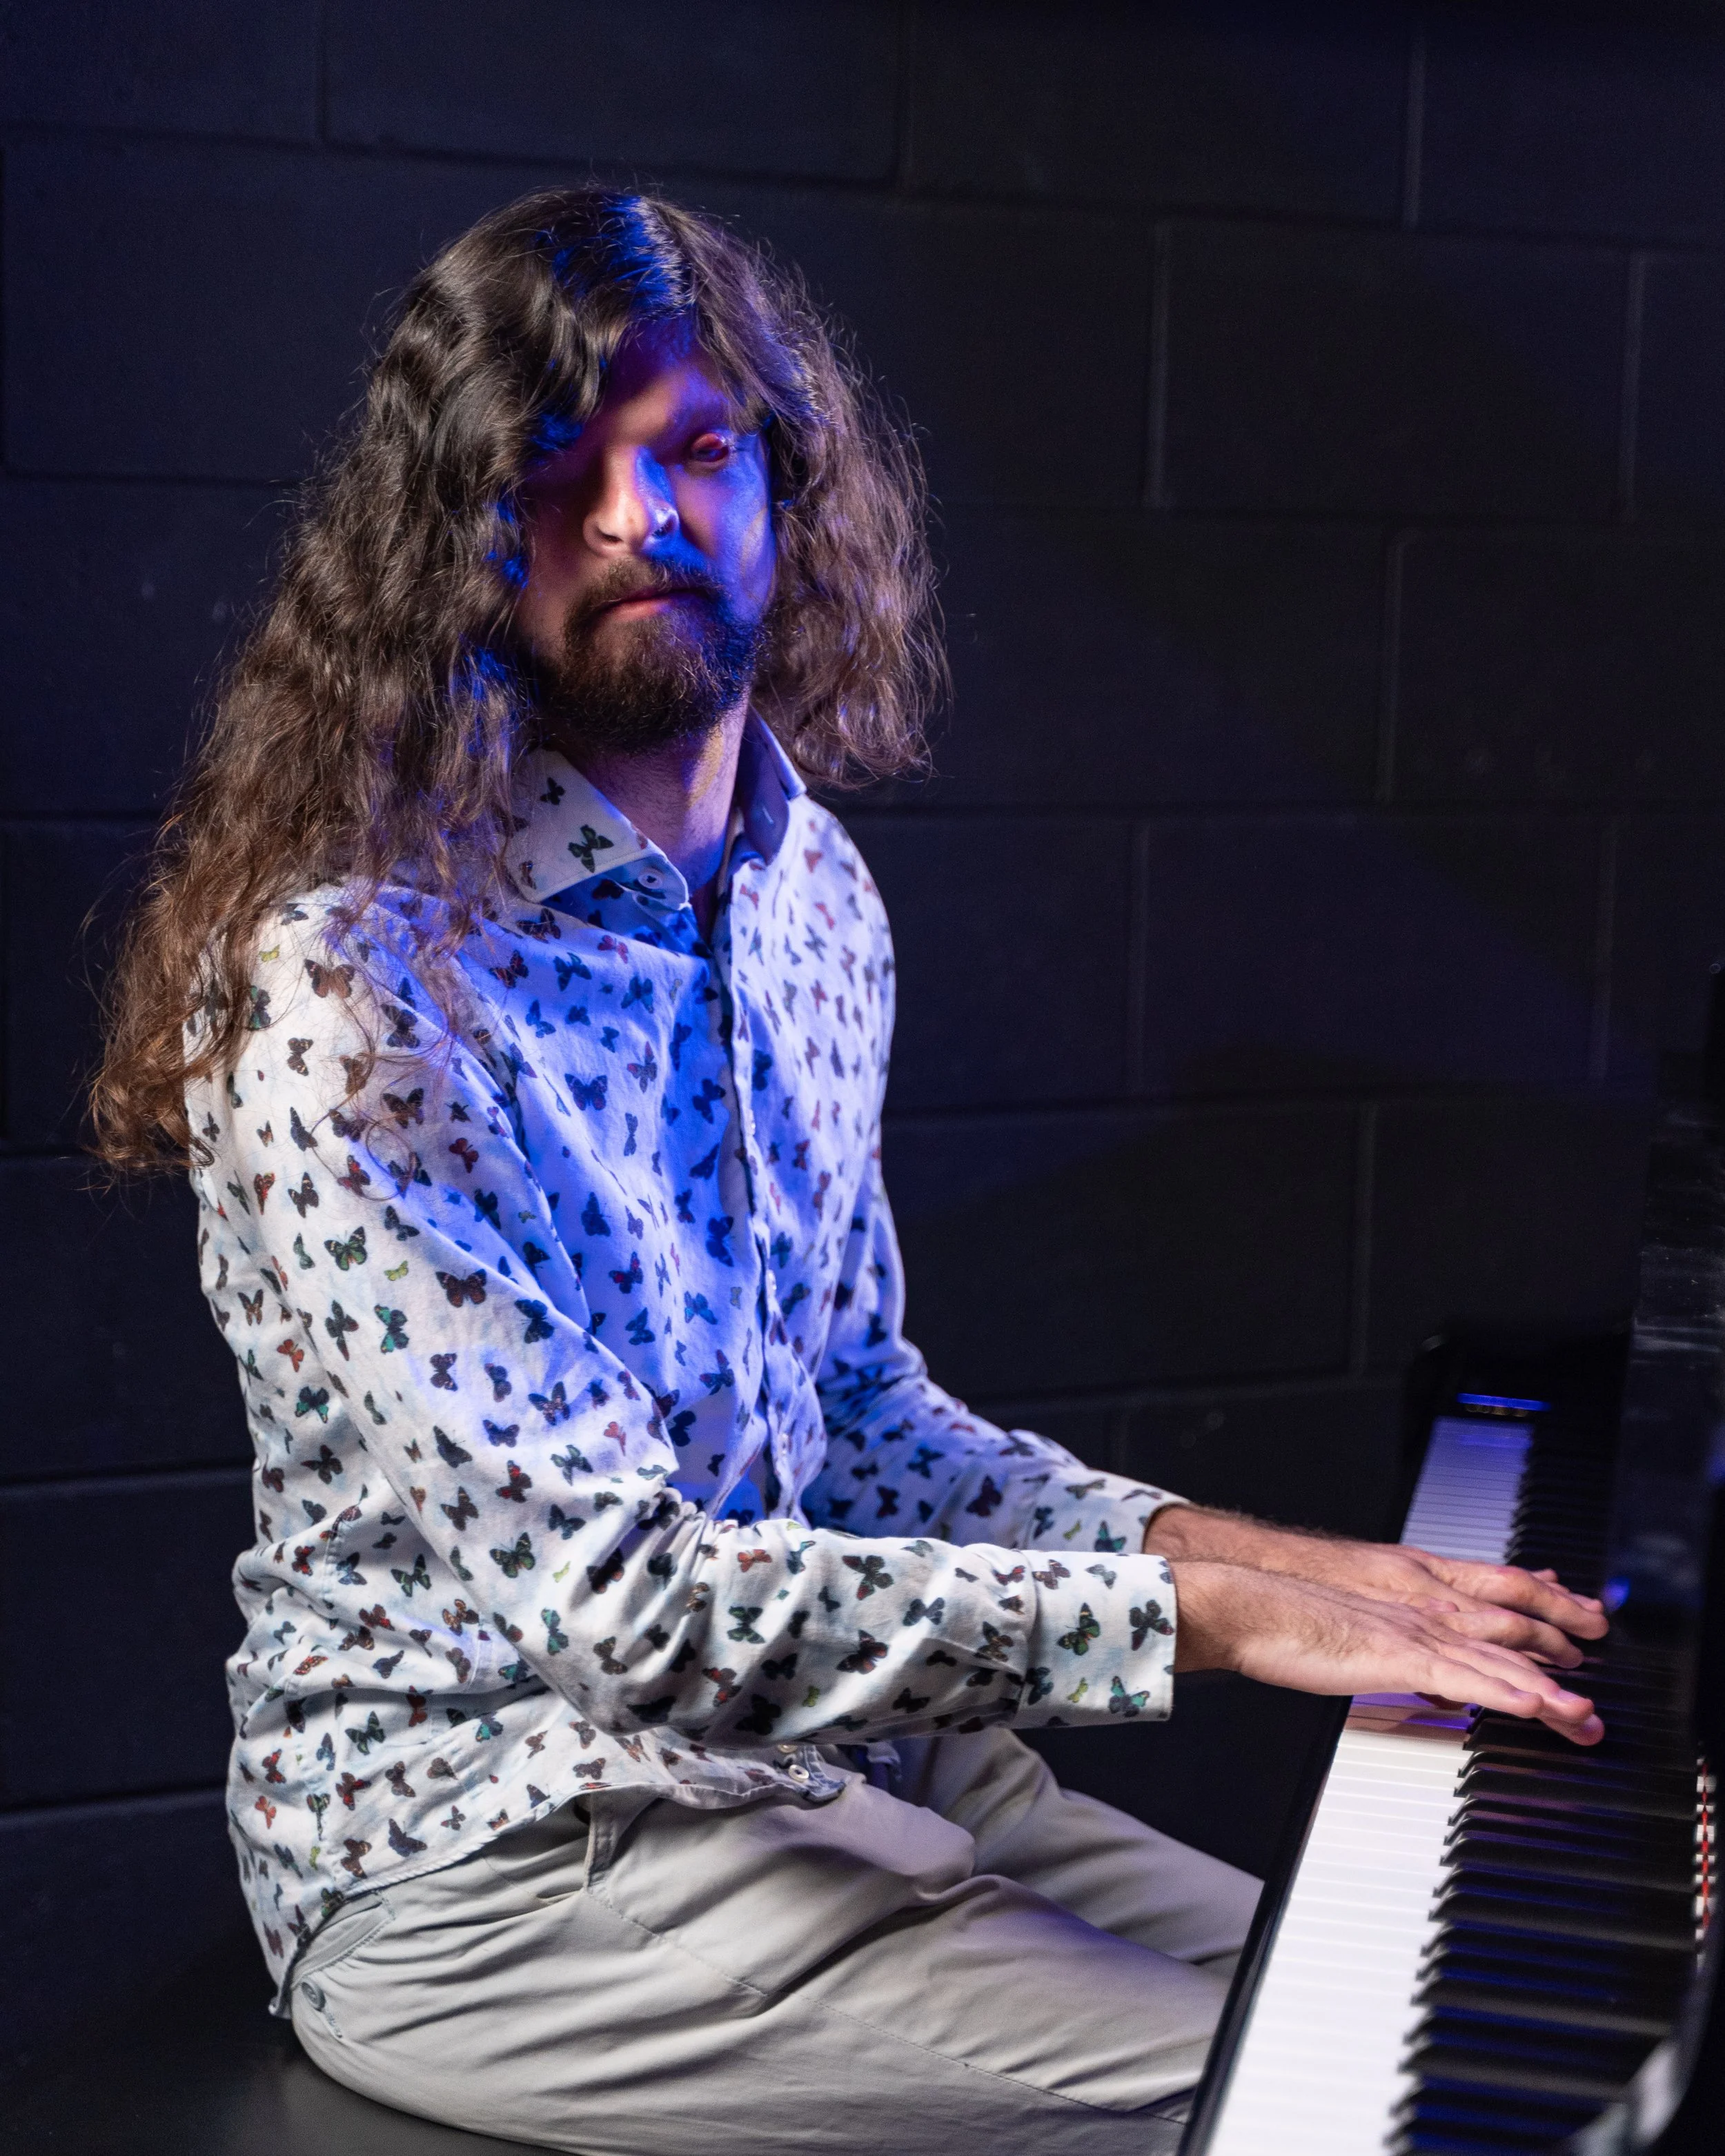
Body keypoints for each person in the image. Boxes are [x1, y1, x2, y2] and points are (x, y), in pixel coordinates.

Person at [91, 188, 1607, 2156]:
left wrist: (1270, 1559)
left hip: (836, 1765)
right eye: (557, 465)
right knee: (1325, 2120)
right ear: (451, 538)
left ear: (784, 488)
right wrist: (1215, 1626)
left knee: (1429, 2017)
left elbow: (858, 1414)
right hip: (497, 1855)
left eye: (697, 445)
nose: (639, 513)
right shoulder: (355, 988)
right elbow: (619, 1611)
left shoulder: (812, 892)